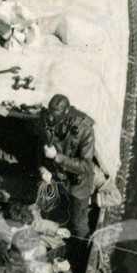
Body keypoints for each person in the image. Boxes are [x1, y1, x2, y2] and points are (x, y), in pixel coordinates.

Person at [38, 94, 96, 241]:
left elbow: (86, 166)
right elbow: (38, 148)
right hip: (56, 179)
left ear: (66, 114)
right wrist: (42, 168)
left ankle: (80, 248)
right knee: (56, 211)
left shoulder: (85, 130)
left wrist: (56, 157)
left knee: (79, 222)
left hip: (78, 184)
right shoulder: (45, 120)